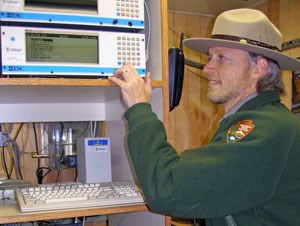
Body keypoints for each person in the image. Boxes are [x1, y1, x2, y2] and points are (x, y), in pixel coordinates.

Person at [109, 8, 300, 226]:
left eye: (222, 58)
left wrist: (140, 109)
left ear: (259, 68)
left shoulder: (265, 130)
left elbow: (166, 189)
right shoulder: (265, 120)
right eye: (210, 57)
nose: (207, 68)